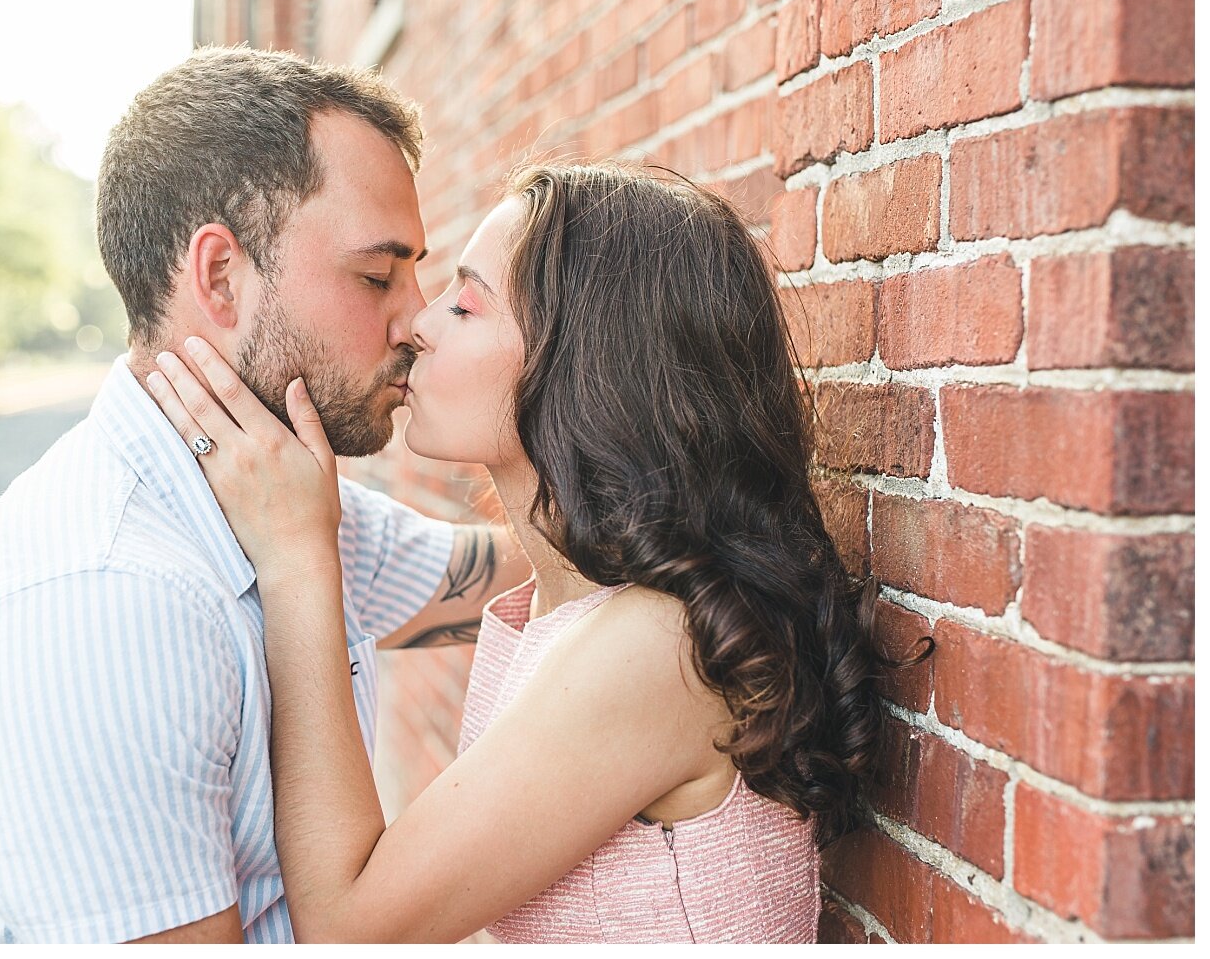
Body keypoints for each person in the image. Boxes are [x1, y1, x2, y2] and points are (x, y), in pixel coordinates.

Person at [147, 161, 931, 943]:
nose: (419, 324)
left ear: (588, 361)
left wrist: (296, 558)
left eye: (466, 303)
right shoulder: (571, 600)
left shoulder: (655, 648)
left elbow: (350, 927)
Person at [0, 46, 529, 944]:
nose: (414, 318)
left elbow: (493, 577)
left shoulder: (272, 497)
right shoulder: (103, 602)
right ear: (221, 276)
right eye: (377, 275)